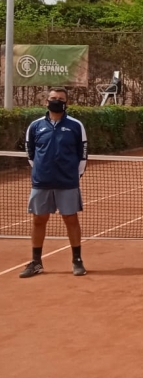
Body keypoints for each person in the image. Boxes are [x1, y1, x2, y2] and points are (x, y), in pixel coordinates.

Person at [20, 88, 89, 278]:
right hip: (41, 182)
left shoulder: (75, 126)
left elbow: (82, 154)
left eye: (60, 99)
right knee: (38, 220)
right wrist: (41, 171)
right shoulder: (35, 126)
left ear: (66, 102)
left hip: (67, 182)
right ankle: (36, 262)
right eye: (53, 98)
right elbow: (31, 153)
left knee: (71, 219)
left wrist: (75, 176)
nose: (56, 101)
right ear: (46, 101)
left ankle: (77, 260)